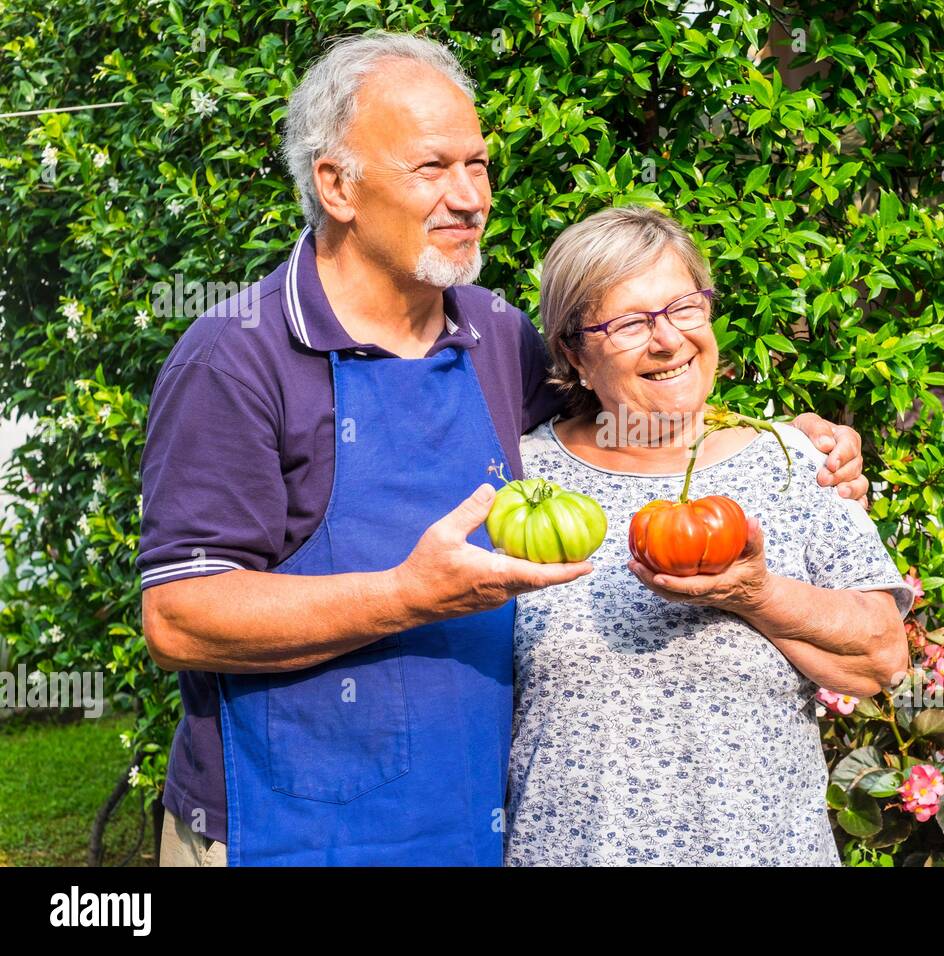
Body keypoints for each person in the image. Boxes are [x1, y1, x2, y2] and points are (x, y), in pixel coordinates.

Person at [138, 32, 870, 866]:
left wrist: (786, 439)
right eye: (432, 169)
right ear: (336, 184)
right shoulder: (238, 357)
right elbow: (179, 619)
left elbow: (637, 406)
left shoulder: (495, 334)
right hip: (289, 827)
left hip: (477, 826)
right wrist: (407, 596)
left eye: (478, 165)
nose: (470, 197)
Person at [505, 206, 915, 866]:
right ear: (574, 356)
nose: (668, 340)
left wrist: (755, 594)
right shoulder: (524, 482)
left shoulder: (788, 460)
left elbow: (882, 659)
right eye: (630, 323)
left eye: (685, 307)